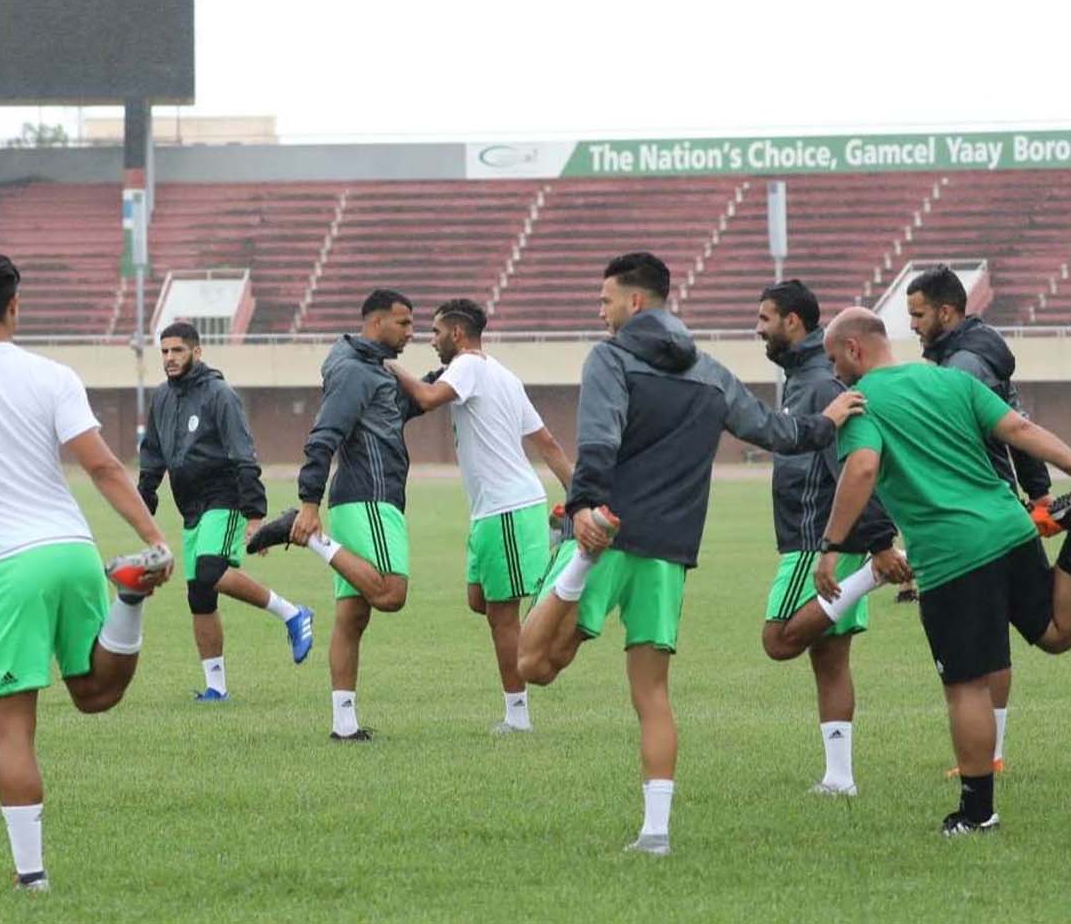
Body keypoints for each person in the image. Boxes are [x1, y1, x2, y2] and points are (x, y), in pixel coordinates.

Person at [516, 253, 862, 855]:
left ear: (637, 303)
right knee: (652, 694)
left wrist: (583, 511)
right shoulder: (710, 371)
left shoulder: (611, 357)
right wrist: (825, 422)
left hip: (608, 531)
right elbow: (775, 433)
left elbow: (598, 438)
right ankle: (656, 834)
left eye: (605, 301)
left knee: (532, 665)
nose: (600, 312)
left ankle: (576, 563)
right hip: (669, 556)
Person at [0, 253, 173, 891]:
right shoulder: (54, 375)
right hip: (72, 548)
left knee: (14, 722)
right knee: (94, 694)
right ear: (16, 306)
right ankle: (127, 601)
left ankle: (31, 877)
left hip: (4, 565)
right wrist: (152, 535)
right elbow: (101, 467)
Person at [812, 307, 1071, 836]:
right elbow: (1020, 428)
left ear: (854, 350)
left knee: (967, 685)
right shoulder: (950, 379)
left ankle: (977, 814)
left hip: (953, 557)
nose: (834, 372)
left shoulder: (859, 405)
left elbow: (861, 468)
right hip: (1010, 528)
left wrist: (832, 545)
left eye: (834, 358)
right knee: (1057, 633)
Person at [390, 298, 575, 734]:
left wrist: (389, 365)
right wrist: (578, 491)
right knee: (480, 601)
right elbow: (546, 442)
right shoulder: (504, 375)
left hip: (506, 509)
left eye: (435, 333)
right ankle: (552, 589)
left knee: (501, 615)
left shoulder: (469, 367)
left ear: (457, 334)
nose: (430, 341)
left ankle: (518, 717)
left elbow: (427, 396)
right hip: (493, 512)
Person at [753, 281, 908, 796]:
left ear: (793, 322)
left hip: (814, 535)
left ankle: (870, 576)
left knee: (778, 641)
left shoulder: (820, 385)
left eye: (766, 318)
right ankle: (839, 778)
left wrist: (874, 545)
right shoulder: (807, 378)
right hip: (823, 534)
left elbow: (855, 465)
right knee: (830, 657)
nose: (759, 329)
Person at [246, 289, 421, 742]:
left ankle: (344, 725)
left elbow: (410, 405)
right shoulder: (355, 373)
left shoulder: (369, 369)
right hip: (369, 498)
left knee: (352, 617)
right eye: (403, 323)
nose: (410, 332)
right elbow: (323, 436)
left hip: (361, 499)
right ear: (375, 322)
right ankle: (310, 539)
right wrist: (308, 505)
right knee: (392, 594)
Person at [906, 264, 1053, 774]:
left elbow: (987, 433)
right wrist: (1038, 490)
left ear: (947, 312)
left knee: (973, 653)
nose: (912, 325)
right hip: (1000, 506)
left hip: (971, 514)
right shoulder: (981, 355)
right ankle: (993, 751)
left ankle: (985, 759)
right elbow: (1019, 423)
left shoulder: (962, 368)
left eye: (918, 315)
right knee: (998, 639)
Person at [137, 321, 315, 701]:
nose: (169, 358)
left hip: (225, 495)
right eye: (165, 351)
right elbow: (152, 455)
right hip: (190, 505)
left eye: (178, 351)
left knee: (211, 570)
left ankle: (293, 614)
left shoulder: (219, 394)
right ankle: (216, 688)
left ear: (197, 352)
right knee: (199, 594)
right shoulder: (162, 398)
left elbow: (242, 453)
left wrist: (254, 515)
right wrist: (145, 499)